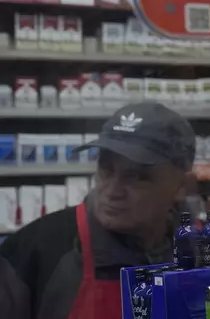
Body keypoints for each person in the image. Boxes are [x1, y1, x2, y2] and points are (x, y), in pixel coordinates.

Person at [0, 102, 196, 319]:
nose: (112, 191)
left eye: (137, 177)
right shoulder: (35, 251)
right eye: (106, 170)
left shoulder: (203, 254)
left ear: (181, 187)